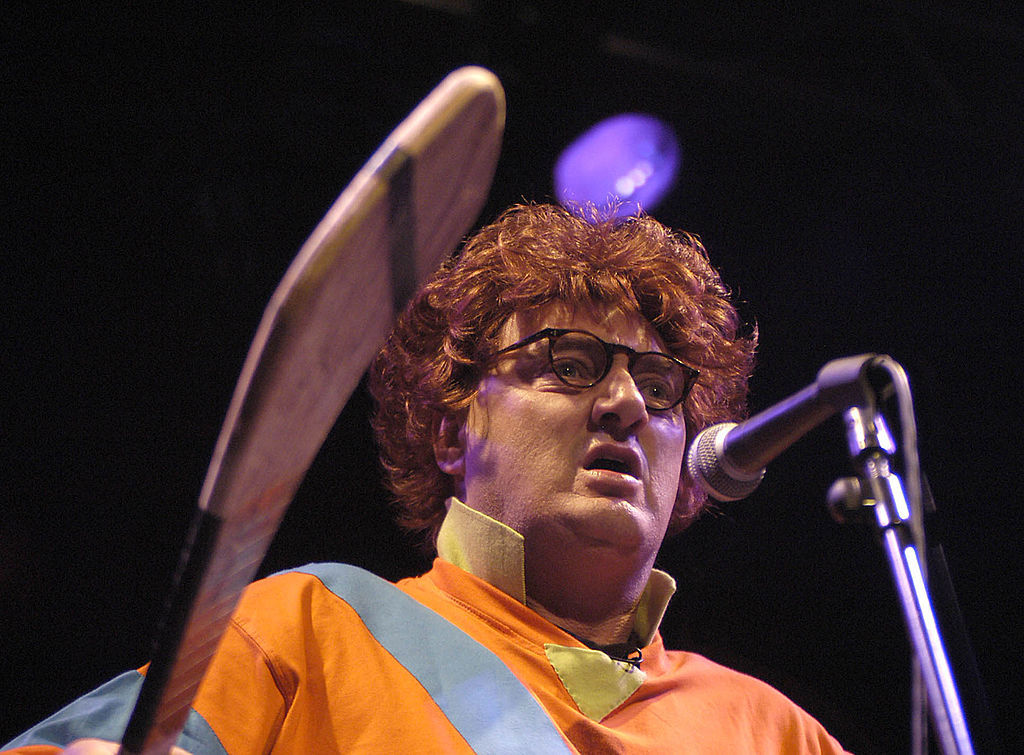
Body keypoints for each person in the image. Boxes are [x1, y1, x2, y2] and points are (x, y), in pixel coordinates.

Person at [5, 203, 849, 753]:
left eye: (660, 386)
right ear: (452, 427)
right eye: (570, 363)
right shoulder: (310, 627)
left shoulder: (776, 733)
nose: (626, 401)